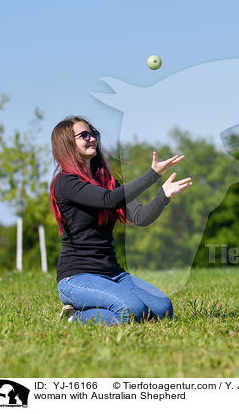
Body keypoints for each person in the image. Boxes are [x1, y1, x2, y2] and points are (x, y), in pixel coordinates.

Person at [50, 116, 192, 325]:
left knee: (163, 309)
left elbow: (140, 217)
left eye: (94, 134)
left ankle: (97, 305)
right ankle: (74, 316)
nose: (92, 139)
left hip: (113, 274)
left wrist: (162, 196)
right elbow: (108, 200)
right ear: (67, 143)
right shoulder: (66, 182)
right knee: (131, 311)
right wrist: (152, 174)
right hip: (76, 278)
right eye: (84, 135)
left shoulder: (109, 183)